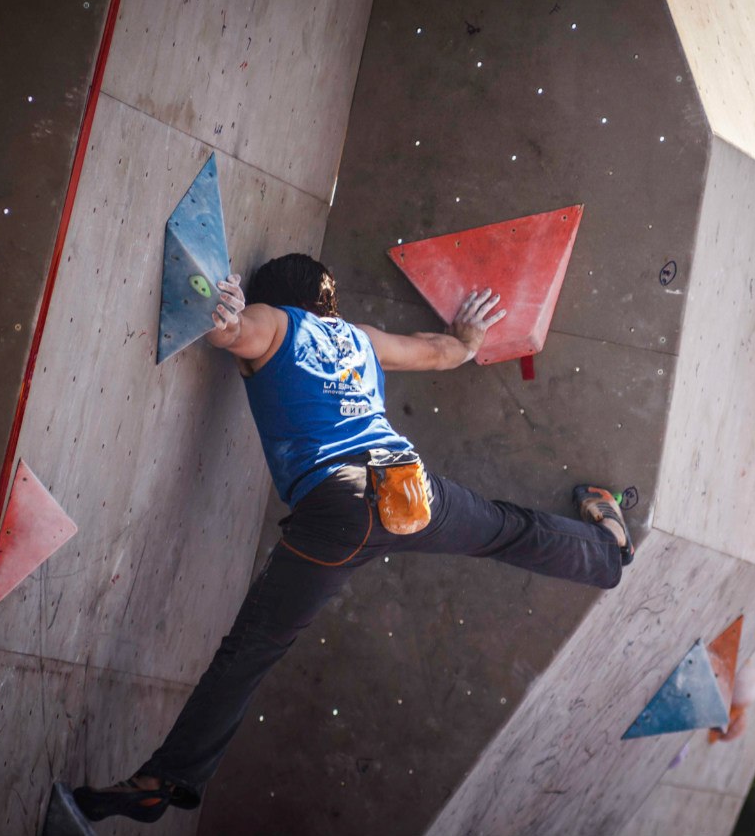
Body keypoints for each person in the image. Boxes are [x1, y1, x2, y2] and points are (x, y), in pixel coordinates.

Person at [72, 253, 633, 823]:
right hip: (412, 492)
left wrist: (229, 320)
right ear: (324, 296)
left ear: (278, 295)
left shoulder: (278, 320)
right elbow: (444, 353)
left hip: (340, 505)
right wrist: (467, 339)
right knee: (504, 529)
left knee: (254, 650)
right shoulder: (357, 338)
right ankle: (607, 552)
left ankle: (162, 780)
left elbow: (236, 331)